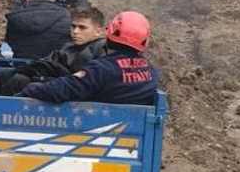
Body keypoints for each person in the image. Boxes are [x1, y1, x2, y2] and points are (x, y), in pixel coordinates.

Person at [18, 11, 160, 105]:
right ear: (144, 41)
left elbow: (63, 89)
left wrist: (30, 89)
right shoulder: (151, 72)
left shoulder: (102, 69)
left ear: (108, 34)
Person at [0, 6, 107, 96]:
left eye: (82, 28)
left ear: (98, 31)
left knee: (19, 80)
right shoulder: (68, 46)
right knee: (1, 75)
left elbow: (80, 78)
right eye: (73, 26)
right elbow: (47, 63)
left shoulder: (100, 50)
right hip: (53, 81)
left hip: (69, 90)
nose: (75, 31)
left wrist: (40, 78)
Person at [5, 0, 70, 59]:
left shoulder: (14, 18)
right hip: (55, 67)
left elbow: (11, 42)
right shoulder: (67, 17)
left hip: (23, 67)